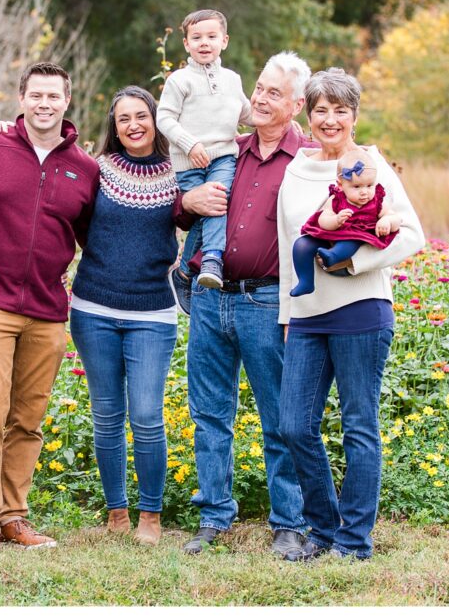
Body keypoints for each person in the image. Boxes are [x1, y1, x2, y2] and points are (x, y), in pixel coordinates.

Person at [277, 68, 425, 561]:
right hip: (306, 316)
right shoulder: (296, 169)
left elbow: (411, 235)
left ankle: (354, 539)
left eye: (341, 110)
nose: (331, 119)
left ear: (355, 117)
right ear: (309, 114)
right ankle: (322, 529)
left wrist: (352, 261)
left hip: (362, 309)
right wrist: (285, 313)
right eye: (322, 110)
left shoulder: (373, 165)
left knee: (359, 426)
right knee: (295, 425)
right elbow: (287, 246)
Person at [177, 51, 317, 558]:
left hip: (267, 302)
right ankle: (214, 517)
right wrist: (188, 203)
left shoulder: (309, 161)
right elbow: (182, 205)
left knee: (280, 416)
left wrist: (295, 311)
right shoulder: (226, 151)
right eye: (258, 87)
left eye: (273, 93)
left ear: (297, 104)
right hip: (211, 299)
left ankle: (289, 521)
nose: (259, 98)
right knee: (210, 414)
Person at [0, 62, 99, 551]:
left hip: (47, 308)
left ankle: (13, 515)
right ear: (21, 99)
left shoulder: (85, 167)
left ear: (66, 101)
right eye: (35, 95)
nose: (44, 104)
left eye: (53, 96)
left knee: (27, 419)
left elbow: (90, 237)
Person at [69, 86, 180, 545]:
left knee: (148, 416)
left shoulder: (181, 173)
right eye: (123, 119)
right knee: (107, 414)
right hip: (93, 308)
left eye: (141, 116)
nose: (133, 125)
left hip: (153, 312)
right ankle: (116, 511)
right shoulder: (97, 171)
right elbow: (76, 223)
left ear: (156, 119)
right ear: (113, 128)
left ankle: (150, 515)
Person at [157, 9, 252, 295]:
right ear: (186, 44)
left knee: (217, 202)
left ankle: (209, 261)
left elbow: (247, 112)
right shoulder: (179, 80)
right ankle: (187, 270)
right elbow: (164, 118)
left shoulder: (232, 80)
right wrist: (190, 143)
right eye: (196, 37)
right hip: (189, 162)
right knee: (204, 212)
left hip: (223, 155)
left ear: (225, 40)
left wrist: (281, 124)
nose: (204, 43)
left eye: (211, 36)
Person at [289, 147, 402, 297]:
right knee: (301, 245)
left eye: (369, 185)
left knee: (349, 242)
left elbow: (396, 218)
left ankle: (332, 257)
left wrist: (387, 221)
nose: (364, 192)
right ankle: (305, 281)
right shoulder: (336, 199)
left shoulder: (376, 203)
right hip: (331, 234)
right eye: (357, 187)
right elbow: (323, 220)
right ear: (341, 185)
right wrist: (335, 220)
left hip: (355, 236)